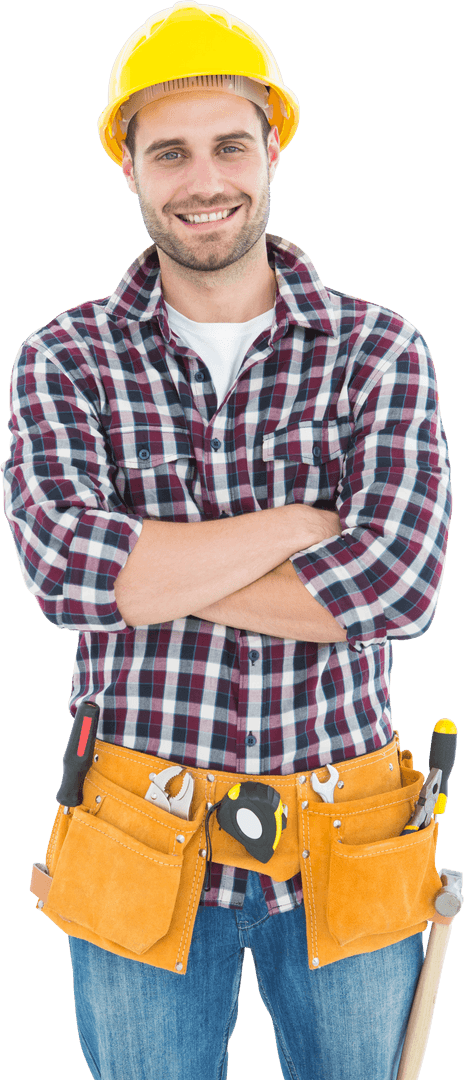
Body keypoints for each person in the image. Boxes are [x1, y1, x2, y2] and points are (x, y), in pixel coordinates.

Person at [1, 3, 453, 1079]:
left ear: (272, 147)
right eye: (169, 152)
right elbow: (68, 576)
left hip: (346, 838)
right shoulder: (63, 359)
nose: (203, 179)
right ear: (128, 167)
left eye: (227, 145)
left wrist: (151, 576)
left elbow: (395, 586)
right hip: (133, 836)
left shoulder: (377, 348)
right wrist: (302, 529)